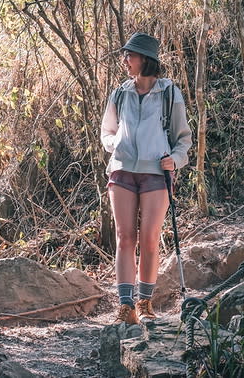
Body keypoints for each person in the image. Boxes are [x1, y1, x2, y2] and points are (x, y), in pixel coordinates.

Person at [100, 32, 192, 324]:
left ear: (146, 60)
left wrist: (174, 160)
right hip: (123, 172)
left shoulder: (169, 93)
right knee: (125, 238)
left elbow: (183, 138)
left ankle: (145, 303)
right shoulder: (120, 93)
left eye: (131, 55)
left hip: (156, 173)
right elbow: (106, 133)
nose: (126, 60)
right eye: (126, 55)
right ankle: (126, 308)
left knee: (149, 238)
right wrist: (119, 145)